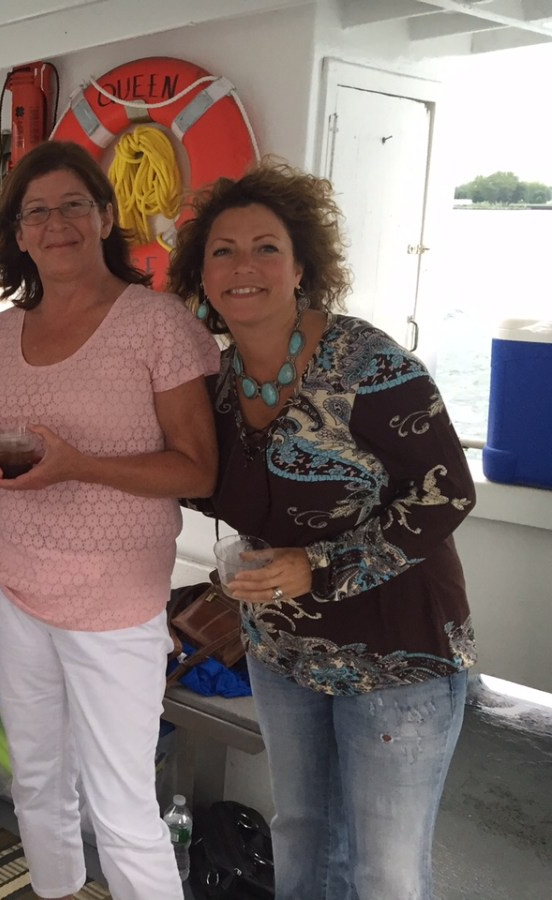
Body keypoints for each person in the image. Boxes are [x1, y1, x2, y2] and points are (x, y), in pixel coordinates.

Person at [166, 159, 477, 900]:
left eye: (265, 247)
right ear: (202, 278)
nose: (245, 267)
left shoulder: (366, 364)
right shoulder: (215, 384)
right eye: (222, 251)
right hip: (281, 646)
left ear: (301, 266)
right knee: (302, 833)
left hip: (397, 654)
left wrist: (320, 566)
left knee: (385, 869)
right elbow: (205, 482)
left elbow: (447, 492)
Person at [0, 140, 219, 900]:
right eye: (35, 211)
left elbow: (197, 469)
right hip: (15, 584)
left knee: (121, 803)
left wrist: (83, 467)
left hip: (114, 602)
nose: (56, 222)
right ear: (18, 234)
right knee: (36, 779)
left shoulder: (155, 323)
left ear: (107, 216)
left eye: (74, 204)